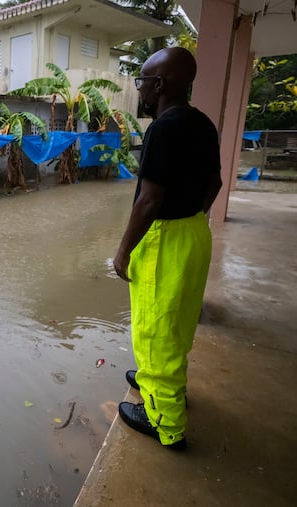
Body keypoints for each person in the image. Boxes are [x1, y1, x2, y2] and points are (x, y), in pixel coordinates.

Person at [113, 47, 222, 450]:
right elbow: (216, 184)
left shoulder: (161, 129)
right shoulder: (203, 124)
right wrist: (192, 214)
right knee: (175, 323)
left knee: (155, 328)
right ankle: (156, 383)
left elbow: (149, 200)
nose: (138, 87)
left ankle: (165, 422)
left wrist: (124, 250)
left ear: (158, 85)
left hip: (166, 238)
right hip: (195, 232)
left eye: (141, 80)